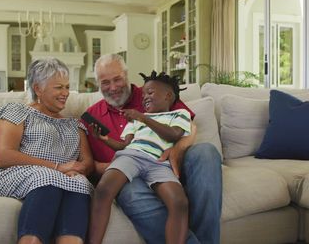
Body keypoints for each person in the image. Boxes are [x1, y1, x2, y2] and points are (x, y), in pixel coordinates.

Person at [85, 53, 223, 244]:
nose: (113, 87)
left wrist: (177, 150)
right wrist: (118, 165)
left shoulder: (153, 92)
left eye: (117, 79)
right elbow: (91, 163)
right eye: (105, 82)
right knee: (128, 190)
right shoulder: (91, 116)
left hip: (165, 164)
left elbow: (189, 127)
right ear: (97, 84)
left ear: (126, 75)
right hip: (127, 172)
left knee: (206, 151)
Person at [0, 57, 94, 244]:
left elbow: (87, 162)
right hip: (14, 174)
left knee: (81, 183)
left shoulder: (74, 125)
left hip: (62, 178)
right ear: (38, 89)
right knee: (48, 177)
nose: (65, 93)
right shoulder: (17, 112)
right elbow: (4, 156)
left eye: (67, 87)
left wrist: (78, 169)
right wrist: (57, 166)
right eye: (58, 87)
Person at [88, 71, 191, 244]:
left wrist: (143, 117)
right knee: (104, 189)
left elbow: (173, 135)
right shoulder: (136, 120)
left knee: (179, 203)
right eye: (143, 95)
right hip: (131, 156)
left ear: (168, 95)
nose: (144, 98)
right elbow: (123, 145)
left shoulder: (178, 114)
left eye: (150, 93)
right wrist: (105, 140)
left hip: (159, 164)